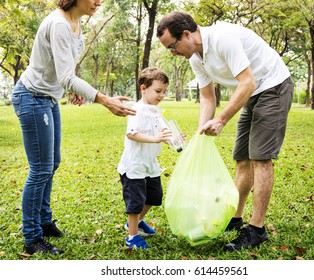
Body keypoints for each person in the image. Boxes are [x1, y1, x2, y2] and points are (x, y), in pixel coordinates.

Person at [157, 11, 294, 251]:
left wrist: (220, 121)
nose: (173, 53)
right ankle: (236, 216)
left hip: (273, 85)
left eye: (173, 46)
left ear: (187, 34)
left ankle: (257, 229)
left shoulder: (222, 38)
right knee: (242, 159)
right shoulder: (195, 59)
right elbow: (207, 97)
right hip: (252, 93)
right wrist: (201, 132)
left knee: (260, 158)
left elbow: (248, 81)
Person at [11, 0, 136, 255]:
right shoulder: (58, 24)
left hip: (48, 98)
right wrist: (103, 99)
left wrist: (71, 89)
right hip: (32, 96)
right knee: (40, 169)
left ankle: (44, 221)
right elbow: (66, 76)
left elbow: (64, 72)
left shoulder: (76, 23)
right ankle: (32, 237)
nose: (98, 2)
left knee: (52, 162)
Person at [117, 67, 172, 250]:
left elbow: (164, 133)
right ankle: (132, 236)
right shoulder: (137, 110)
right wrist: (155, 138)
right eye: (158, 91)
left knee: (154, 197)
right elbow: (131, 134)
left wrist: (173, 139)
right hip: (134, 166)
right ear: (143, 88)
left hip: (150, 164)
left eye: (164, 91)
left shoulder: (155, 111)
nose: (161, 95)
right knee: (135, 202)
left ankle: (138, 222)